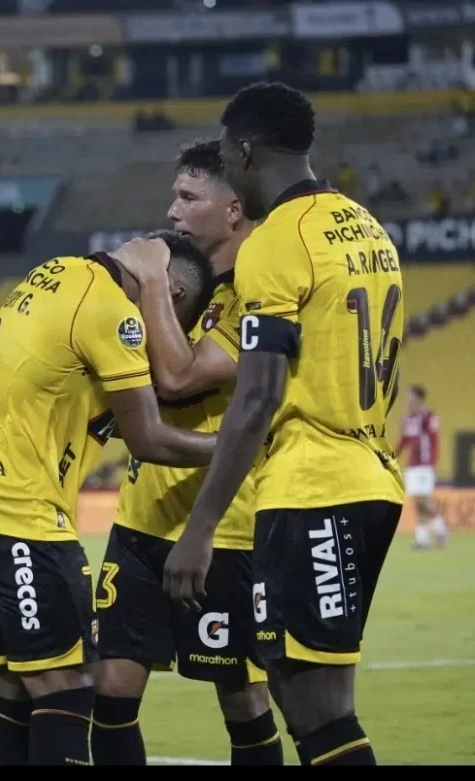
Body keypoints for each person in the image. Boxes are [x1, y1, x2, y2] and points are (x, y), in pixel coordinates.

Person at [163, 82, 405, 766]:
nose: (228, 172)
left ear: (245, 151)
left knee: (318, 712)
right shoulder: (365, 226)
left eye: (225, 157)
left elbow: (257, 395)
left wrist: (201, 530)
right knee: (311, 707)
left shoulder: (275, 241)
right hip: (369, 473)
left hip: (313, 488)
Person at [0, 231, 216, 766]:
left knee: (10, 694)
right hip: (22, 518)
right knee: (67, 691)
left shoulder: (56, 271)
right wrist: (235, 445)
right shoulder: (114, 311)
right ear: (172, 296)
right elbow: (147, 438)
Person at [92, 140, 283, 766]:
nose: (172, 210)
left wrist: (150, 279)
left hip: (224, 528)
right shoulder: (175, 284)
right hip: (140, 521)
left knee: (243, 701)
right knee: (110, 694)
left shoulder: (257, 291)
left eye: (188, 196)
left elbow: (178, 378)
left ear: (233, 209)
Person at [396, 385, 447, 550]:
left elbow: (435, 439)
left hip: (425, 464)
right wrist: (393, 456)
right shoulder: (407, 419)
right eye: (408, 399)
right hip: (412, 465)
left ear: (420, 400)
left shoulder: (428, 417)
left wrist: (435, 462)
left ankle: (440, 527)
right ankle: (422, 539)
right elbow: (404, 440)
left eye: (412, 399)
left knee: (422, 498)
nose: (409, 402)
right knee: (417, 502)